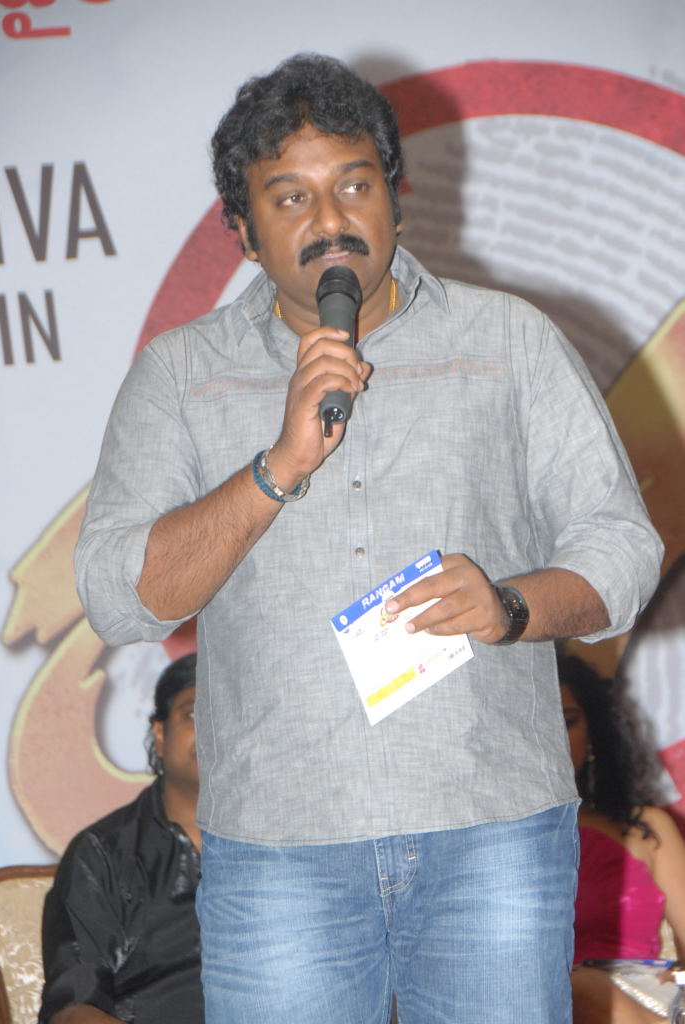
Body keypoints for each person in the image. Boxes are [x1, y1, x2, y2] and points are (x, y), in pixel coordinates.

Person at [74, 53, 663, 1024]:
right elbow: (118, 594)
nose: (329, 221)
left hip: (490, 831)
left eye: (353, 185)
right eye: (289, 197)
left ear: (396, 194)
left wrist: (511, 604)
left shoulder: (508, 341)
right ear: (241, 230)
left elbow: (624, 551)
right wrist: (275, 468)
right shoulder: (181, 376)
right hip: (280, 847)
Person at [39, 654, 203, 1024]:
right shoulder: (103, 855)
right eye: (194, 714)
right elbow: (72, 1011)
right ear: (160, 735)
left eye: (228, 716)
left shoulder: (285, 849)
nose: (212, 729)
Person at [559, 652, 685, 1023]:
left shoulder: (647, 828)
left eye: (567, 721)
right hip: (541, 1001)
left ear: (594, 730)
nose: (554, 738)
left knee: (583, 989)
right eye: (539, 723)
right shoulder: (493, 844)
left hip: (645, 999)